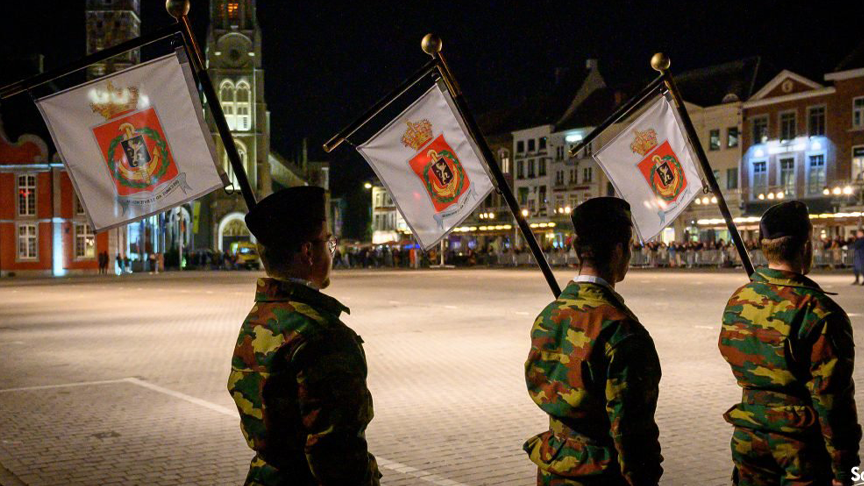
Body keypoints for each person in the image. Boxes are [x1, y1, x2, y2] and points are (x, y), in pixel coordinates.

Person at [227, 186, 381, 486]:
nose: (331, 250)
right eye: (327, 241)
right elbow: (336, 455)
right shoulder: (323, 335)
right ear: (308, 252)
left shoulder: (259, 318)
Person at [719, 201, 861, 486]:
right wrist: (850, 474)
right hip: (801, 449)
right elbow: (833, 401)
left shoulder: (738, 300)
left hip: (749, 440)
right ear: (806, 247)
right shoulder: (820, 311)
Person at [523, 197, 663, 486]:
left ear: (578, 251)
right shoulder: (621, 330)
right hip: (600, 475)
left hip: (553, 470)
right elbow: (632, 430)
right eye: (629, 248)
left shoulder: (549, 316)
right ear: (618, 251)